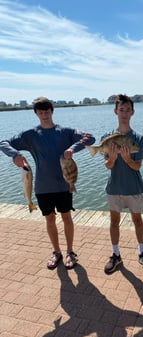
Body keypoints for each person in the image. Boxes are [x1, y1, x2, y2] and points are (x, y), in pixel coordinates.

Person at [0, 97, 95, 270]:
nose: (44, 115)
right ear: (36, 113)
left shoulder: (65, 131)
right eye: (41, 112)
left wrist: (73, 148)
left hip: (64, 184)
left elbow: (90, 138)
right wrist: (15, 155)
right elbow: (3, 142)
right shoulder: (30, 135)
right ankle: (56, 252)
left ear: (52, 111)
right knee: (49, 219)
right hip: (42, 186)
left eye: (47, 111)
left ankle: (70, 252)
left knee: (67, 217)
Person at [103, 94, 143, 274]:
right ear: (116, 111)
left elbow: (137, 166)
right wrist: (114, 158)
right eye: (121, 110)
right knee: (114, 222)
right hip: (114, 188)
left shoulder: (139, 139)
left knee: (138, 221)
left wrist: (127, 159)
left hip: (133, 187)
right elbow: (108, 166)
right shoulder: (107, 138)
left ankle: (142, 252)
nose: (124, 113)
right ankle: (115, 255)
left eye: (128, 110)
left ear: (133, 112)